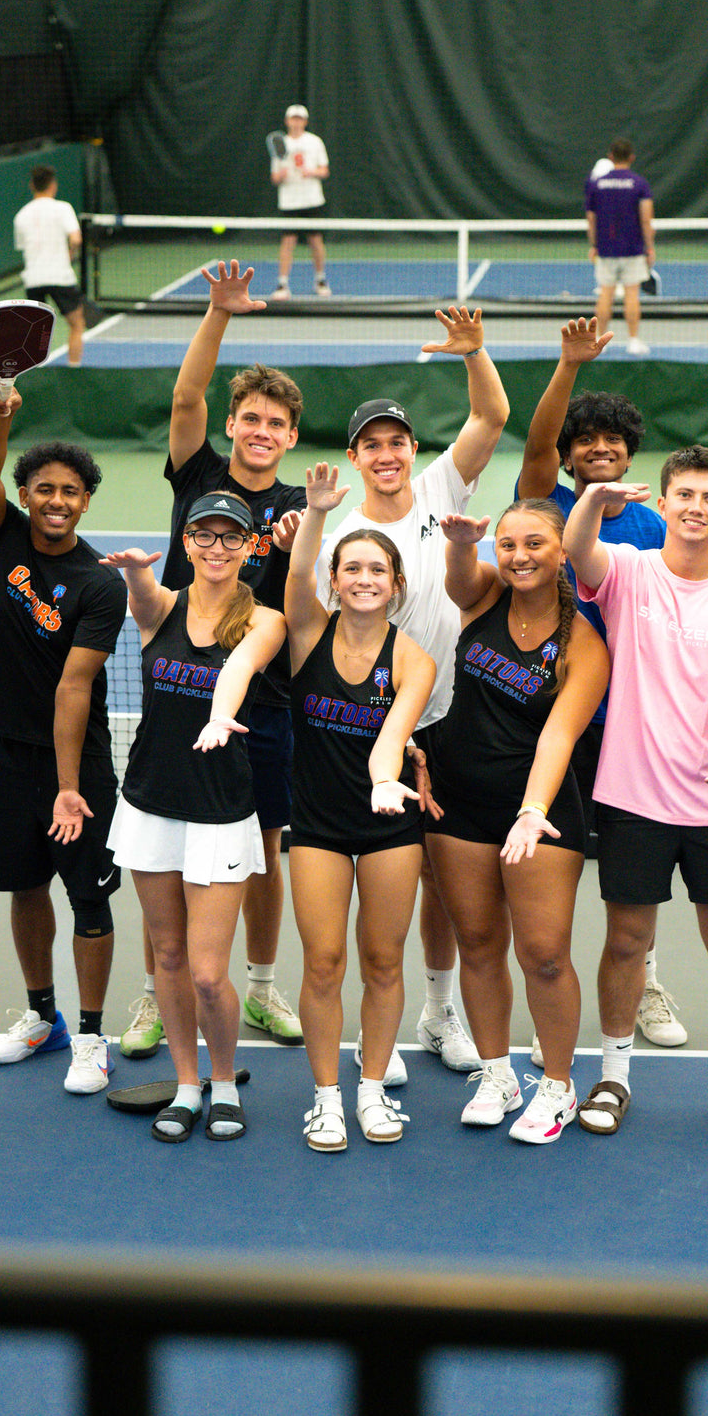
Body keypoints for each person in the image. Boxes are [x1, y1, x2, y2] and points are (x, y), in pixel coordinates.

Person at [316, 307, 510, 1083]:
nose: (388, 454)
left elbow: (492, 413)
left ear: (412, 451)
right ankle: (380, 1032)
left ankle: (438, 1009)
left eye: (397, 442)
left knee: (440, 872)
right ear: (356, 456)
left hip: (455, 714)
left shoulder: (440, 486)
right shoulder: (338, 534)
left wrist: (475, 353)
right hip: (370, 728)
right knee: (377, 868)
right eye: (374, 445)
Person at [563, 446, 708, 1139]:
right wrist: (595, 500)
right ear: (661, 502)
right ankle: (613, 1077)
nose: (695, 507)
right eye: (683, 494)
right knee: (626, 940)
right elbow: (578, 552)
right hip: (632, 796)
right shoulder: (628, 572)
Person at [134, 259, 307, 1062]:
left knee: (265, 846)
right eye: (250, 417)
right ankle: (153, 995)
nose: (261, 429)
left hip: (267, 706)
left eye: (275, 421)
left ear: (291, 436)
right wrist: (219, 313)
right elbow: (183, 399)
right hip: (177, 694)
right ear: (233, 424)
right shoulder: (199, 475)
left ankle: (263, 984)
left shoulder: (302, 510)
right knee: (162, 854)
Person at [517, 318, 685, 1050]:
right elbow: (533, 448)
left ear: (629, 450)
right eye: (586, 439)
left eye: (612, 439)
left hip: (629, 727)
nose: (599, 447)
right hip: (544, 719)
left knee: (632, 875)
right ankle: (455, 997)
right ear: (571, 455)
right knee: (527, 862)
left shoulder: (656, 525)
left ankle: (643, 980)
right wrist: (567, 366)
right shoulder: (546, 508)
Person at [103, 492, 286, 1142]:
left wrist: (217, 714)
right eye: (204, 536)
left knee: (210, 974)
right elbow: (143, 598)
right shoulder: (163, 607)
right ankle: (186, 1084)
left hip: (220, 810)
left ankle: (224, 1079)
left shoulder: (266, 619)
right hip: (151, 803)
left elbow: (238, 666)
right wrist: (131, 570)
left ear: (247, 546)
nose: (216, 547)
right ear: (187, 542)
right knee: (171, 960)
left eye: (229, 538)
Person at [425, 500, 610, 1143]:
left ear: (563, 552)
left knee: (544, 954)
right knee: (476, 943)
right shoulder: (485, 595)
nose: (519, 556)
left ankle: (556, 1087)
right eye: (506, 544)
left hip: (541, 812)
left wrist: (531, 812)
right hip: (456, 803)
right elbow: (457, 580)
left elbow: (559, 738)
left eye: (534, 543)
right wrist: (460, 543)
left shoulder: (584, 643)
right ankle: (498, 1072)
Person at [0, 382, 128, 1093]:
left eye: (70, 491)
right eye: (43, 489)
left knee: (88, 900)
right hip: (3, 751)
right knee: (25, 887)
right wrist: (0, 418)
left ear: (86, 500)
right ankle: (44, 1019)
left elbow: (74, 687)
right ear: (24, 494)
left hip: (78, 764)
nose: (57, 500)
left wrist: (68, 787)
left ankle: (92, 1038)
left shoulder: (99, 584)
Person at [283, 463, 436, 1150]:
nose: (365, 578)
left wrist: (382, 780)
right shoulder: (308, 633)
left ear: (395, 585)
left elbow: (393, 735)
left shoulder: (413, 659)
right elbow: (293, 580)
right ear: (335, 579)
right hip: (315, 825)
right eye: (352, 568)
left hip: (388, 827)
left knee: (382, 962)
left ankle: (371, 1089)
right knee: (322, 964)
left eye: (378, 569)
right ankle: (325, 1098)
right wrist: (315, 515)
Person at [585, 138, 655, 356]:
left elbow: (591, 220)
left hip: (606, 248)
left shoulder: (597, 184)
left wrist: (594, 245)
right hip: (633, 249)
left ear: (611, 156)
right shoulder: (639, 183)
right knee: (632, 295)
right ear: (632, 157)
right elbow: (646, 220)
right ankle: (633, 341)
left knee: (605, 294)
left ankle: (598, 342)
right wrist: (649, 247)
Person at [13, 165, 87, 366]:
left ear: (31, 185)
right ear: (53, 185)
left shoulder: (21, 215)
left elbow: (23, 247)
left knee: (36, 332)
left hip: (33, 280)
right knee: (77, 324)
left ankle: (35, 372)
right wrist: (69, 256)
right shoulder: (63, 208)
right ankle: (73, 370)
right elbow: (76, 239)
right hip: (60, 278)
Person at [270, 105, 331, 300]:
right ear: (287, 121)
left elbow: (324, 170)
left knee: (315, 241)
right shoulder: (280, 143)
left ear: (305, 121)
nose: (296, 122)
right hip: (289, 202)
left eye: (300, 119)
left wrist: (311, 172)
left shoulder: (315, 142)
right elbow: (274, 177)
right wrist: (281, 175)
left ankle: (320, 280)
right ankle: (282, 284)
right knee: (288, 242)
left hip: (312, 199)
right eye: (293, 119)